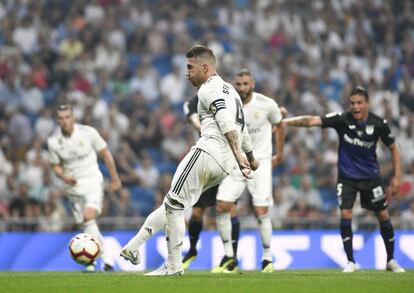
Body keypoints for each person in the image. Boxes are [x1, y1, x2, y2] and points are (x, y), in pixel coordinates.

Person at [120, 45, 259, 276]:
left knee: (174, 205)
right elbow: (242, 130)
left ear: (205, 68)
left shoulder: (207, 89)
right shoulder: (232, 92)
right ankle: (133, 248)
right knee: (173, 203)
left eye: (190, 67)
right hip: (223, 166)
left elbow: (225, 121)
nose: (187, 72)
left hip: (207, 153)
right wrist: (250, 158)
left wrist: (239, 154)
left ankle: (173, 266)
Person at [283, 86, 405, 273]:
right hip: (347, 177)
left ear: (367, 104)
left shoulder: (378, 123)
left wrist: (397, 177)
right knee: (346, 214)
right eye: (352, 103)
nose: (355, 107)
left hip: (371, 178)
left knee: (383, 215)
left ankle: (391, 260)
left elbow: (394, 148)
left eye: (359, 103)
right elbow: (312, 121)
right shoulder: (342, 119)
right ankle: (350, 262)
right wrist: (285, 122)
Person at [214, 69, 285, 273]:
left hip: (260, 163)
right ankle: (228, 256)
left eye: (245, 84)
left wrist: (279, 154)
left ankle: (267, 258)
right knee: (221, 207)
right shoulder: (228, 104)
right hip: (235, 163)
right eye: (238, 84)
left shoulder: (266, 104)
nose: (242, 88)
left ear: (252, 84)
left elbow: (279, 124)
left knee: (261, 211)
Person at [47, 104, 122, 272]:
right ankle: (93, 260)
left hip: (93, 181)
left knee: (88, 217)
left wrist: (115, 178)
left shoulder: (88, 133)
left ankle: (106, 258)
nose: (64, 121)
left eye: (67, 117)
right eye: (61, 118)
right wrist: (63, 176)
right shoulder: (53, 142)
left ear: (73, 118)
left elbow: (106, 154)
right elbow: (55, 165)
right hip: (73, 187)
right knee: (87, 225)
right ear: (57, 120)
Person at [181, 95, 240, 270]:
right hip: (208, 160)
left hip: (228, 160)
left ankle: (232, 259)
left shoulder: (226, 98)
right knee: (198, 212)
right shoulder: (191, 103)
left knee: (230, 209)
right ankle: (192, 250)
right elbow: (193, 120)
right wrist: (207, 127)